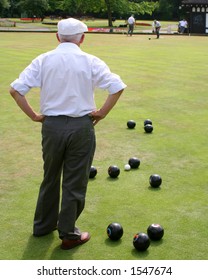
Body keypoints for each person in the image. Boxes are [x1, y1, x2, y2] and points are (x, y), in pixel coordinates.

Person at [9, 18, 126, 250]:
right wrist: (101, 113)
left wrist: (34, 116)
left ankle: (43, 227)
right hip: (81, 127)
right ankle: (69, 235)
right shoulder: (90, 60)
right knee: (74, 181)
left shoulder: (43, 60)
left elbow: (15, 91)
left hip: (51, 127)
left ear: (57, 37)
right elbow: (117, 86)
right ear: (82, 38)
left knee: (50, 176)